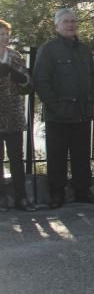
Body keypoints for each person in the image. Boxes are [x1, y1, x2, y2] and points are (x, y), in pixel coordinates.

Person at [32, 8, 94, 207]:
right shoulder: (48, 49)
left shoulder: (84, 50)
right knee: (56, 156)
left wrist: (92, 102)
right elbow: (41, 81)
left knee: (81, 155)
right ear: (57, 26)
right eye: (66, 22)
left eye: (73, 21)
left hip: (82, 113)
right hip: (58, 115)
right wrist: (54, 106)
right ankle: (57, 194)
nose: (71, 25)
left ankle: (82, 191)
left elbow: (92, 80)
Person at [0, 20, 35, 211]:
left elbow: (27, 86)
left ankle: (21, 198)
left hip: (13, 115)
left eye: (6, 34)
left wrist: (16, 74)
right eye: (0, 34)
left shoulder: (15, 56)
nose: (4, 37)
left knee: (16, 158)